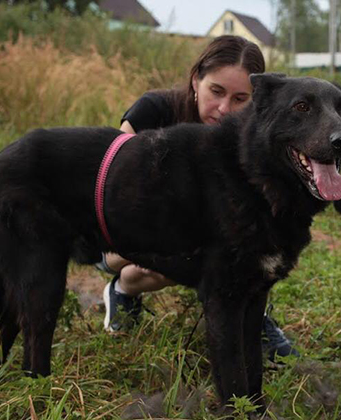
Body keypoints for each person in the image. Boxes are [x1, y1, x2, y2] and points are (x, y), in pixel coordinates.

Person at [99, 35, 299, 361]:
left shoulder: (253, 136)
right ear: (196, 80)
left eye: (240, 99)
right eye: (216, 91)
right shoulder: (153, 111)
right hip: (121, 238)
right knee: (180, 250)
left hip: (204, 240)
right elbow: (110, 189)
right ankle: (123, 290)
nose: (224, 109)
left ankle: (255, 319)